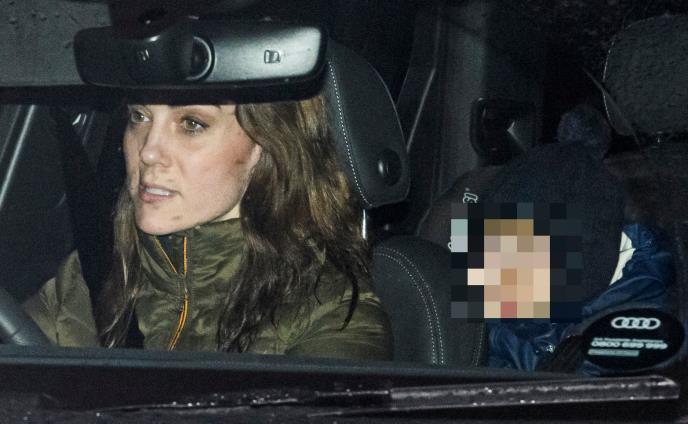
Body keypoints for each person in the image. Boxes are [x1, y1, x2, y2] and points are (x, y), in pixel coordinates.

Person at [23, 95, 394, 360]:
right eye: (139, 116)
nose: (148, 151)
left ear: (265, 147)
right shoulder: (92, 272)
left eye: (192, 124)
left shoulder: (329, 312)